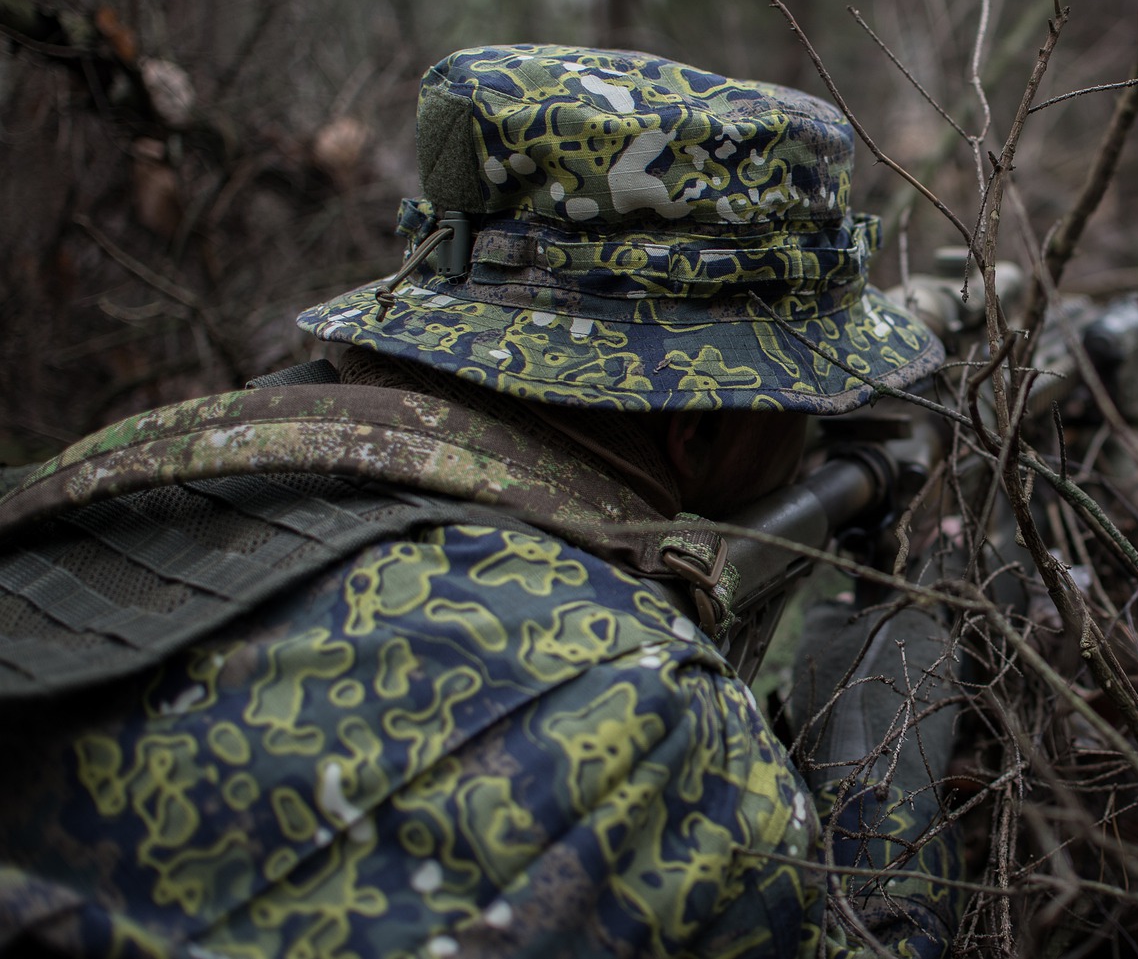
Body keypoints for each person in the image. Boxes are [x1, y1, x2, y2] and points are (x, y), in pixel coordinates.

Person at [0, 46, 960, 959]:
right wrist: (879, 781)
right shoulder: (648, 712)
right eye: (800, 403)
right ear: (695, 427)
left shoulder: (124, 476)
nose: (810, 433)